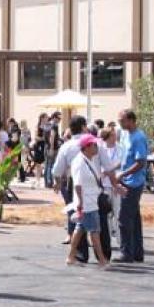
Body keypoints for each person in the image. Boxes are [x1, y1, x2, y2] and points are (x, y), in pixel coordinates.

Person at [67, 134, 110, 268]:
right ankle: (101, 259)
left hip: (90, 200)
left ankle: (71, 256)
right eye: (94, 145)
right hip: (87, 202)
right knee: (94, 231)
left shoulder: (88, 160)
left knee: (80, 229)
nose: (96, 147)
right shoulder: (80, 162)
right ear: (86, 147)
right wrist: (80, 202)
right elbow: (78, 184)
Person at [52, 115, 89, 259]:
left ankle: (80, 251)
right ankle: (103, 252)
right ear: (83, 127)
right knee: (96, 214)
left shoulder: (67, 146)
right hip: (92, 182)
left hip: (73, 181)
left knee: (76, 214)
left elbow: (57, 170)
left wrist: (57, 182)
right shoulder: (94, 142)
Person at [114, 109, 148, 264]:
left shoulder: (138, 138)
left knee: (124, 218)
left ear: (131, 120)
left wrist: (123, 173)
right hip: (126, 180)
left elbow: (140, 162)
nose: (120, 123)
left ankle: (126, 253)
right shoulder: (125, 135)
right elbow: (123, 158)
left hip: (133, 182)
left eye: (122, 120)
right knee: (133, 218)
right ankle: (137, 252)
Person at [99, 127, 124, 244]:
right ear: (107, 137)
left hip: (116, 183)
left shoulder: (120, 148)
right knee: (107, 213)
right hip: (104, 185)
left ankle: (120, 240)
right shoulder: (101, 149)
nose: (115, 137)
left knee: (118, 211)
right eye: (112, 135)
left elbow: (121, 163)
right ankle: (107, 239)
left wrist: (110, 169)